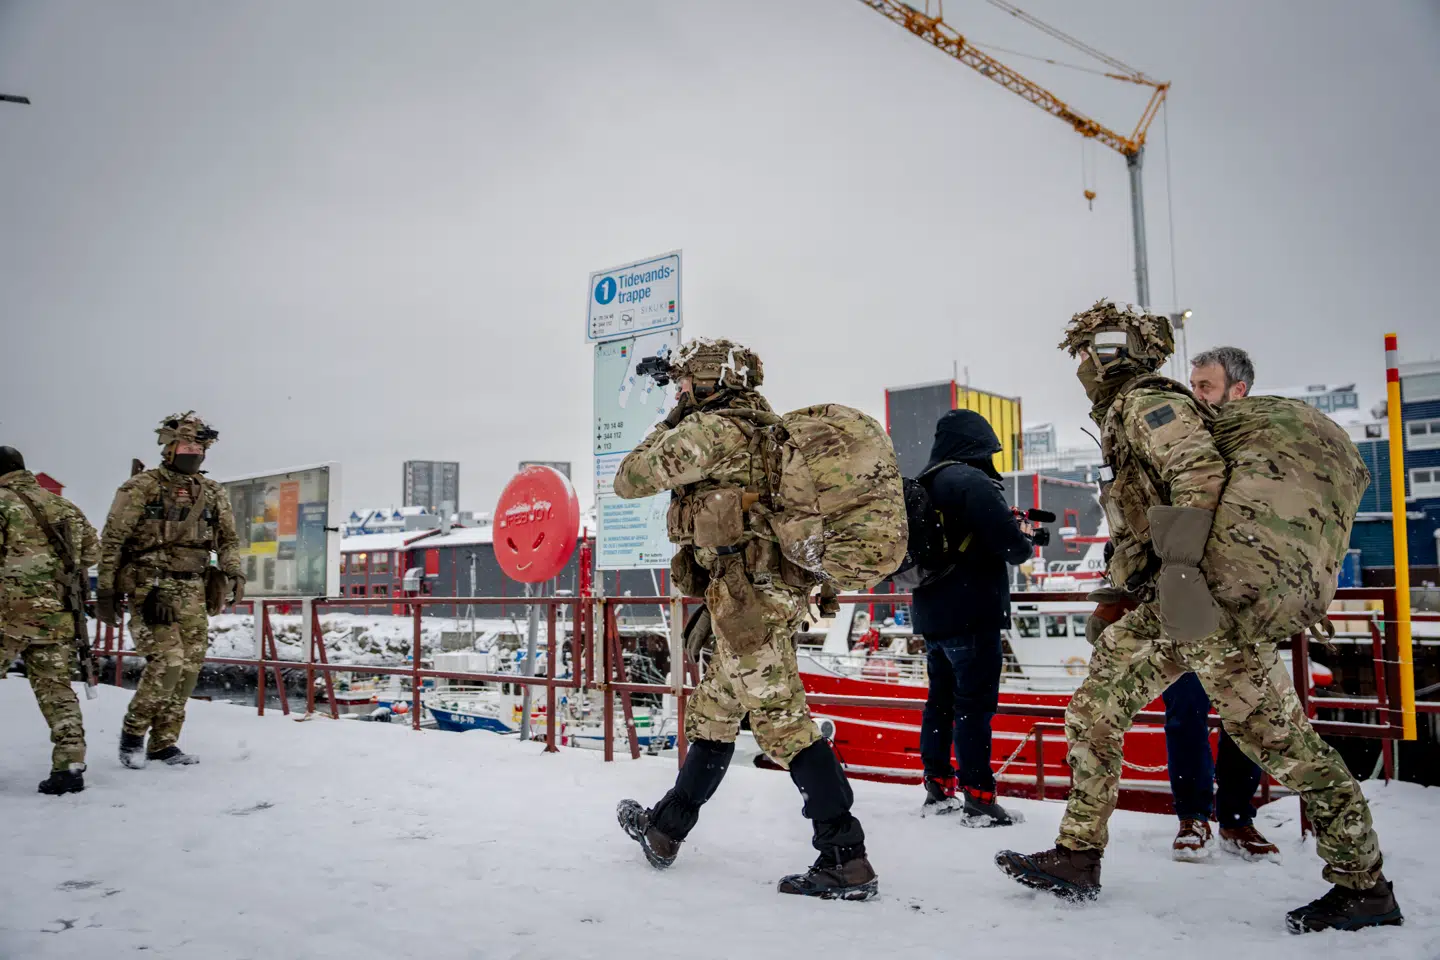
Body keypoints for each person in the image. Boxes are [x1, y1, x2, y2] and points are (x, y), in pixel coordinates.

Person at [997, 302, 1402, 934]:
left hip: (1202, 602)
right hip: (1184, 600)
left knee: (1278, 742)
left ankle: (1364, 885)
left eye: (1095, 348)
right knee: (1098, 707)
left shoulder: (1147, 400)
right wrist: (1125, 589)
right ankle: (1078, 854)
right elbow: (1142, 518)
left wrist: (1184, 576)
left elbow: (1199, 472)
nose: (1086, 361)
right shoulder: (1129, 409)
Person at [612, 338, 877, 901]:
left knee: (786, 728)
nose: (678, 392)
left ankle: (845, 858)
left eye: (684, 383)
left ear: (709, 382)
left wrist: (672, 417)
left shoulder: (709, 432)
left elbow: (630, 477)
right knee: (713, 716)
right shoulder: (766, 430)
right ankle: (665, 830)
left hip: (747, 603)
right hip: (758, 596)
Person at [1155, 345, 1275, 861]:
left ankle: (1238, 820)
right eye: (1194, 384)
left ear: (1238, 390)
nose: (1195, 394)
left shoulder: (1261, 446)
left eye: (1205, 386)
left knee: (1245, 715)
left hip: (1246, 602)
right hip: (1185, 595)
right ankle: (1192, 819)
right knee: (1185, 711)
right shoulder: (1181, 443)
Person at [97, 412, 244, 768]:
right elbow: (113, 539)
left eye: (199, 446)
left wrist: (234, 573)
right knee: (169, 663)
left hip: (195, 587)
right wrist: (105, 591)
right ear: (169, 447)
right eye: (186, 444)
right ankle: (133, 735)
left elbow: (227, 539)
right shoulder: (141, 487)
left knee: (190, 668)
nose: (193, 451)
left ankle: (164, 743)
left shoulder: (212, 492)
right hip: (151, 586)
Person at [912, 410, 1035, 824]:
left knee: (940, 703)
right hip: (973, 613)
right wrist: (1025, 539)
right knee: (974, 706)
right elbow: (1012, 548)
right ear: (978, 445)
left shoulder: (926, 482)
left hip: (932, 614)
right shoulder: (971, 481)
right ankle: (979, 798)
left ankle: (937, 785)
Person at [0, 446, 100, 794]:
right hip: (56, 614)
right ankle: (70, 764)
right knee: (57, 690)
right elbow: (92, 552)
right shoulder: (64, 506)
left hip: (6, 614)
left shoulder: (1, 503)